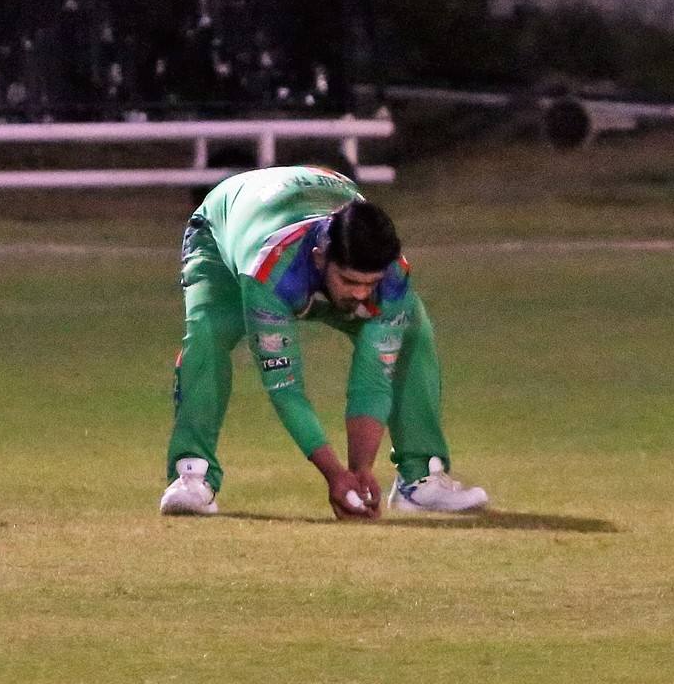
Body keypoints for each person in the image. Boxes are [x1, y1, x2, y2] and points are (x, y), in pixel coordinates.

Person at [160, 165, 489, 519]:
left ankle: (419, 478)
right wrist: (334, 475)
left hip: (319, 191)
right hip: (223, 230)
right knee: (207, 335)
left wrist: (360, 472)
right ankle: (191, 474)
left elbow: (374, 378)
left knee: (413, 327)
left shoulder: (392, 275)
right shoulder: (270, 272)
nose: (361, 295)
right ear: (320, 257)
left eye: (370, 284)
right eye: (350, 281)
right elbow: (285, 388)